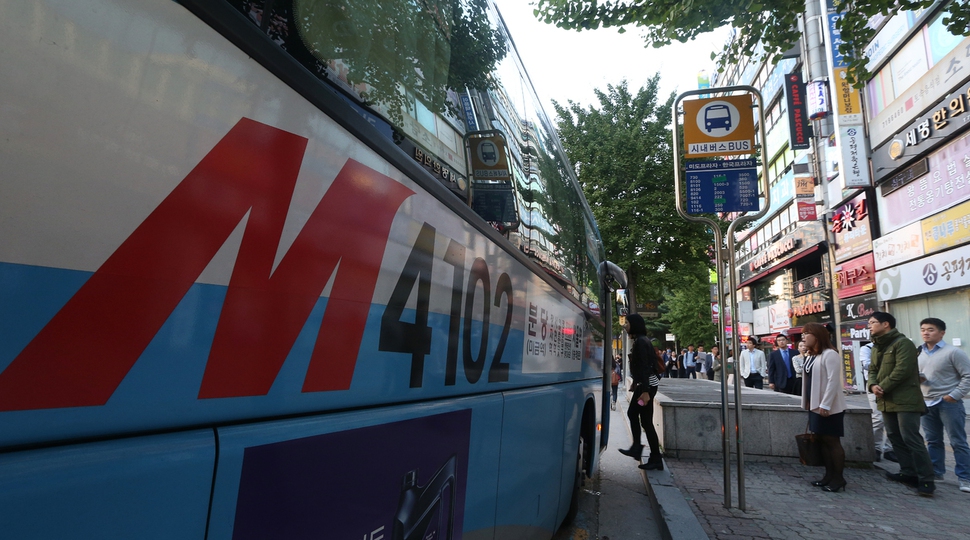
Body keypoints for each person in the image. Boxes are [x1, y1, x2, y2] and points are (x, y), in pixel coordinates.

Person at [868, 311, 935, 497]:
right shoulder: (876, 346)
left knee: (911, 438)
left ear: (886, 324)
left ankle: (927, 479)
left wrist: (882, 386)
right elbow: (872, 369)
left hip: (905, 400)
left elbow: (903, 370)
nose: (870, 326)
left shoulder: (903, 343)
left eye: (873, 322)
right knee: (894, 436)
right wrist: (873, 385)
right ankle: (908, 472)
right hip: (885, 399)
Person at [917, 317, 970, 493]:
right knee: (933, 440)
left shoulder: (953, 352)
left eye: (930, 329)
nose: (926, 332)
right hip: (927, 402)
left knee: (958, 441)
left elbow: (968, 376)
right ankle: (937, 472)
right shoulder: (919, 352)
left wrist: (954, 395)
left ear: (942, 332)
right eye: (923, 329)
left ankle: (965, 478)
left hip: (948, 403)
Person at [801, 322, 848, 492]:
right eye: (803, 335)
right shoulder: (812, 355)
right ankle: (828, 476)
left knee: (832, 441)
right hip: (814, 405)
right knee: (822, 440)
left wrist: (826, 404)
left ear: (817, 336)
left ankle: (838, 478)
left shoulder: (830, 354)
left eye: (807, 334)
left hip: (829, 406)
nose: (804, 338)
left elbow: (833, 381)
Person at [617, 314, 663, 470]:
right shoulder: (641, 340)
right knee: (645, 421)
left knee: (637, 416)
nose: (625, 325)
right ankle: (653, 456)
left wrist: (644, 390)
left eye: (628, 322)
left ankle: (640, 449)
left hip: (647, 387)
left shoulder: (641, 342)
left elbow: (645, 366)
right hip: (647, 385)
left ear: (635, 324)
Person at [860, 341, 893, 462]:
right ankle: (875, 448)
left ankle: (890, 449)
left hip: (893, 384)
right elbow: (867, 365)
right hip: (874, 385)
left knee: (894, 418)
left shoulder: (895, 345)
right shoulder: (867, 348)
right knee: (878, 417)